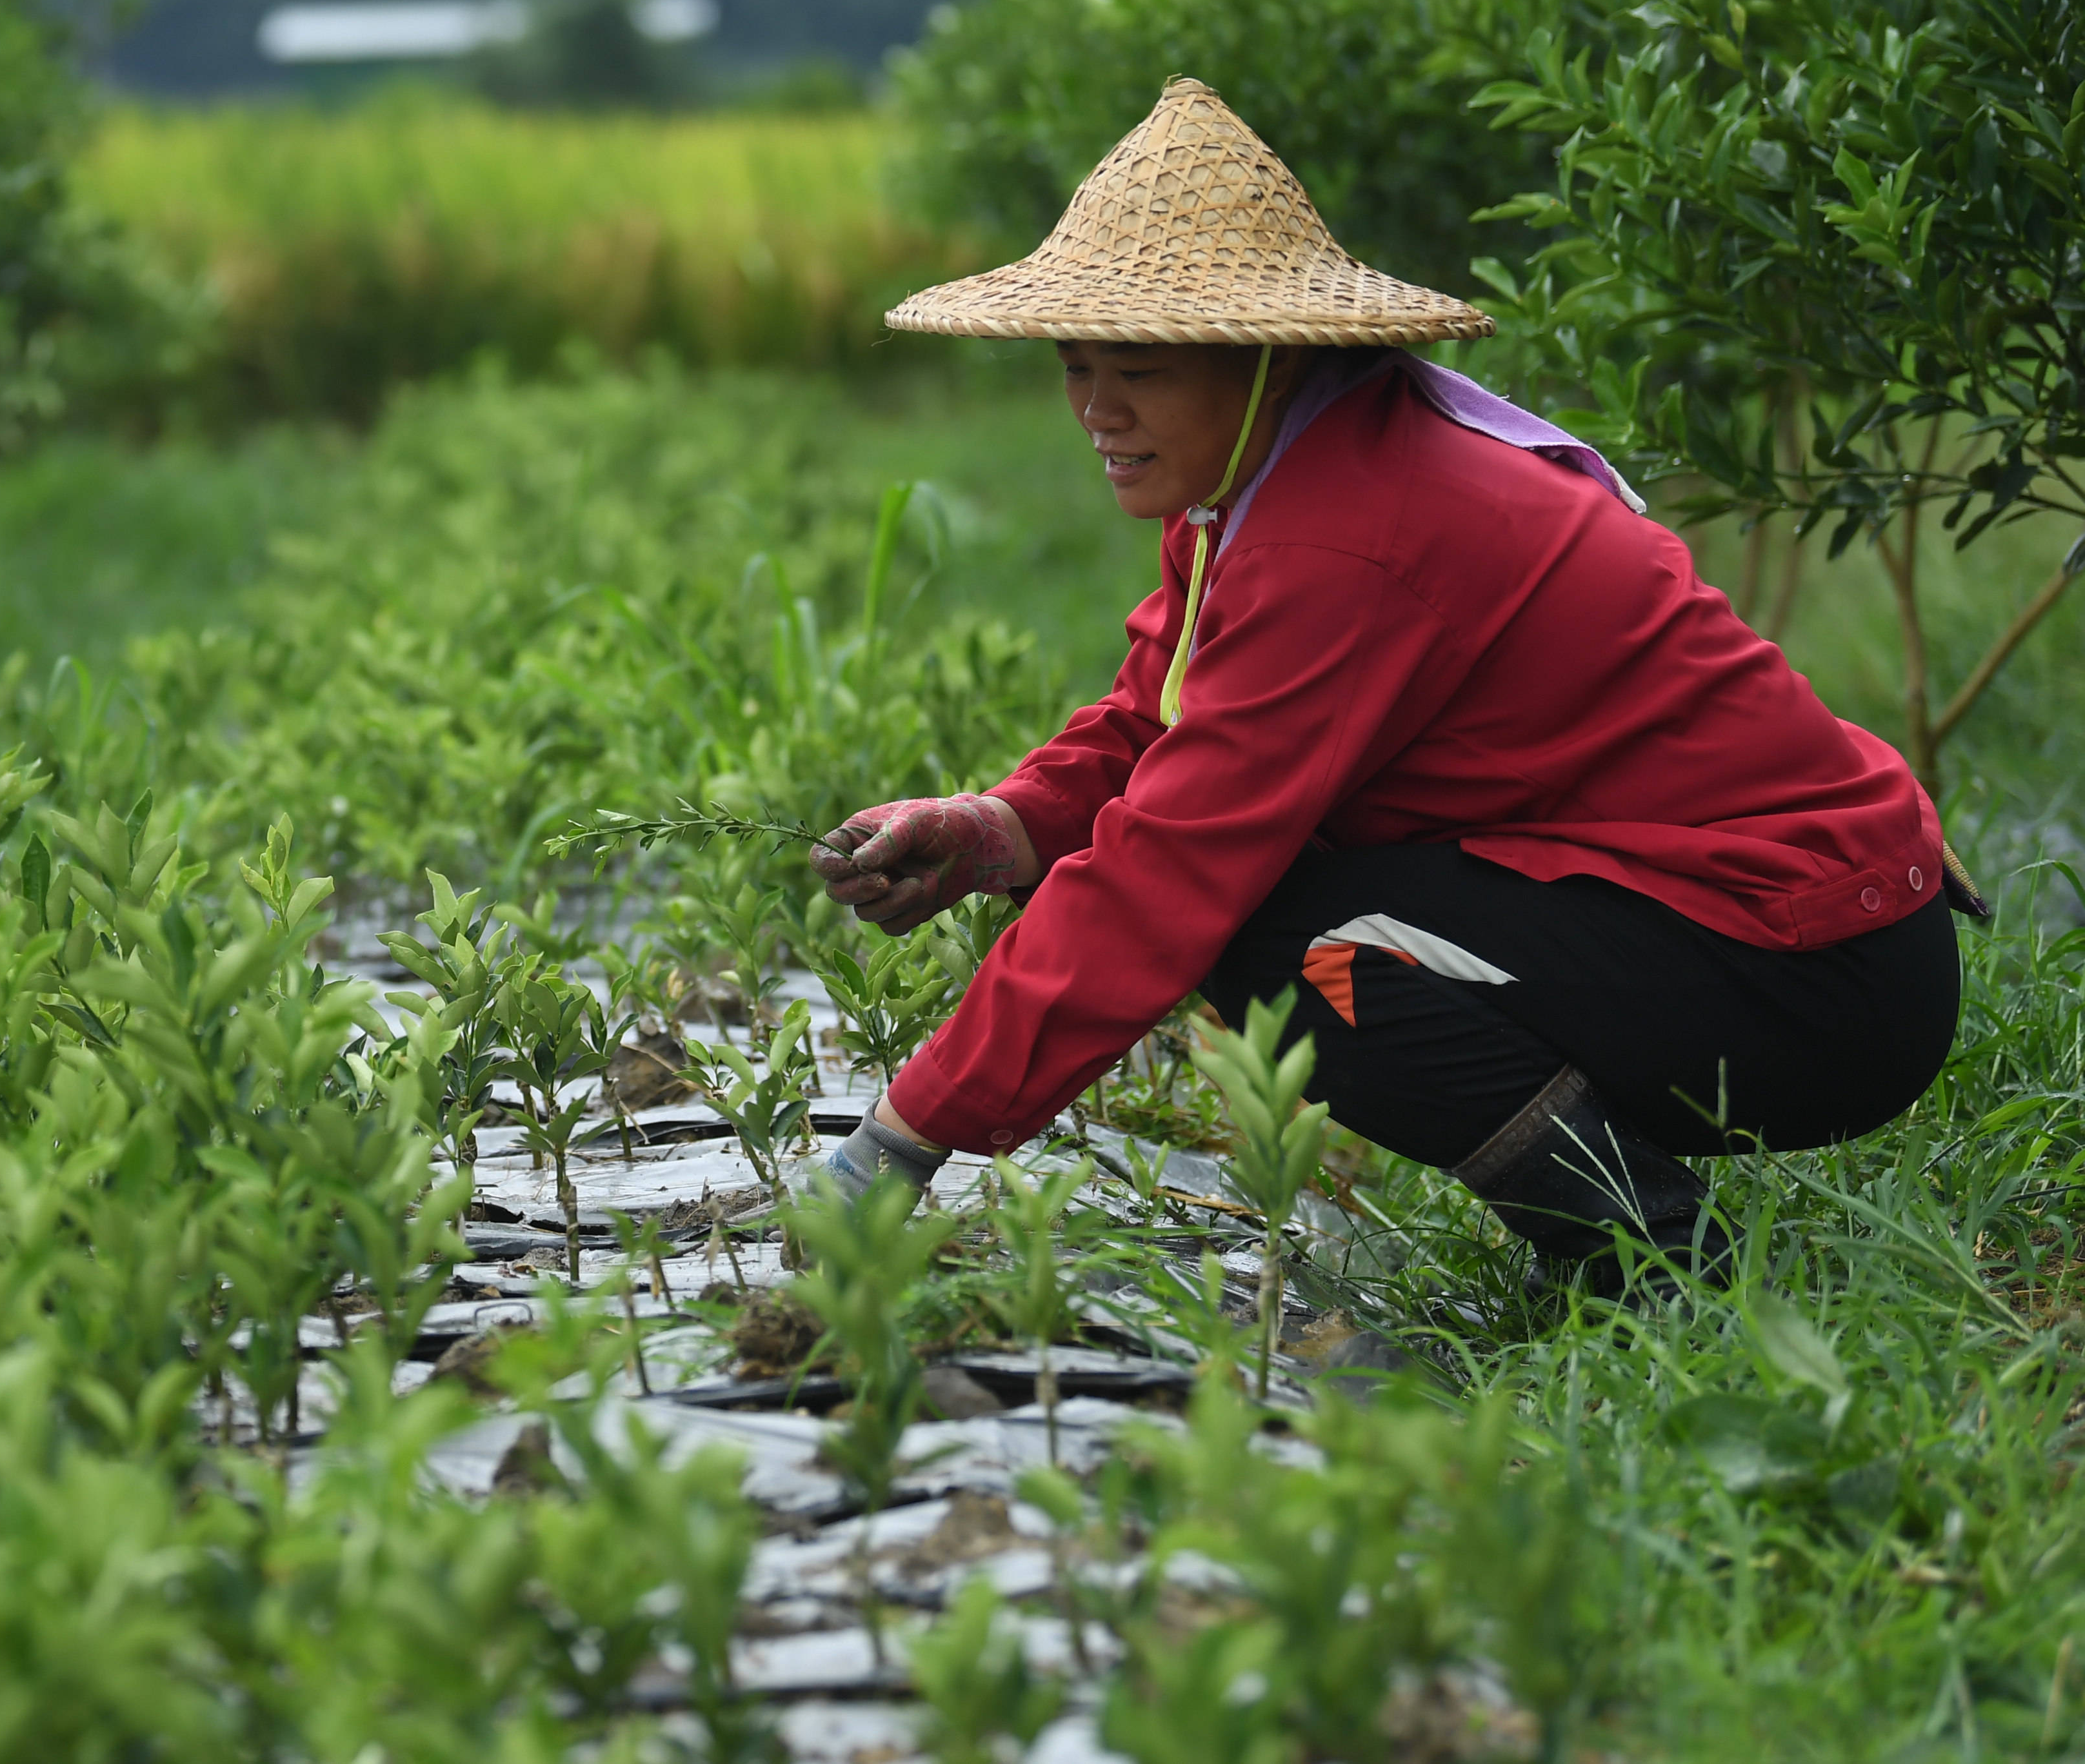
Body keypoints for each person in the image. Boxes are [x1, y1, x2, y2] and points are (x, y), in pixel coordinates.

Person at [810, 80, 1971, 1293]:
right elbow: (1161, 720)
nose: (1097, 411)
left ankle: (1653, 1259)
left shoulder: (1343, 536)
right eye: (1077, 367)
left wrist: (899, 1142)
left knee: (1286, 944)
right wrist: (998, 829)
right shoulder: (1280, 477)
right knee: (1271, 914)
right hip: (1766, 921)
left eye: (1140, 371)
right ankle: (1630, 1234)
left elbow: (1165, 871)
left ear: (1259, 360)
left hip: (1816, 968)